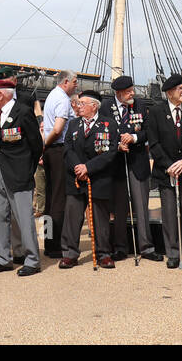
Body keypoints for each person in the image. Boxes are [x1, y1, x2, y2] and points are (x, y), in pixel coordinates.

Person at [0, 78, 44, 276]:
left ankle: (32, 260)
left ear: (1, 94)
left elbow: (36, 145)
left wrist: (27, 169)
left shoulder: (24, 112)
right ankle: (2, 258)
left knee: (24, 219)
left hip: (18, 174)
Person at [147, 74, 182, 269]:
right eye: (181, 89)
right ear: (170, 93)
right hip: (166, 172)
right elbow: (154, 143)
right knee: (169, 214)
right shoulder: (155, 113)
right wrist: (169, 165)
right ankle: (172, 253)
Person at [105, 75, 161, 262]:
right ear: (119, 93)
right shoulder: (106, 107)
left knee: (141, 206)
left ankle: (146, 246)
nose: (132, 93)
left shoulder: (139, 105)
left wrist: (134, 138)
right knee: (120, 207)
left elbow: (148, 130)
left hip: (138, 161)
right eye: (128, 92)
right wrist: (116, 144)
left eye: (132, 90)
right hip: (117, 163)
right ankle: (120, 247)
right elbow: (102, 132)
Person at [59, 90, 117, 268]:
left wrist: (88, 168)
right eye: (78, 103)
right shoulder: (74, 124)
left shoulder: (109, 124)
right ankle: (69, 253)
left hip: (98, 178)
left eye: (82, 103)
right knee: (72, 217)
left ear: (94, 106)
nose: (78, 107)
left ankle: (103, 253)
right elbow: (67, 148)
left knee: (100, 219)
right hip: (76, 178)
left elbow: (111, 152)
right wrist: (78, 167)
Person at [39, 70, 77, 257]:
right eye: (75, 82)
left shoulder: (51, 95)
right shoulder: (62, 99)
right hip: (58, 147)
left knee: (49, 197)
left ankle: (47, 240)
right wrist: (45, 145)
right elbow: (58, 128)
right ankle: (56, 244)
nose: (77, 85)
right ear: (66, 82)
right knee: (59, 198)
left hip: (50, 150)